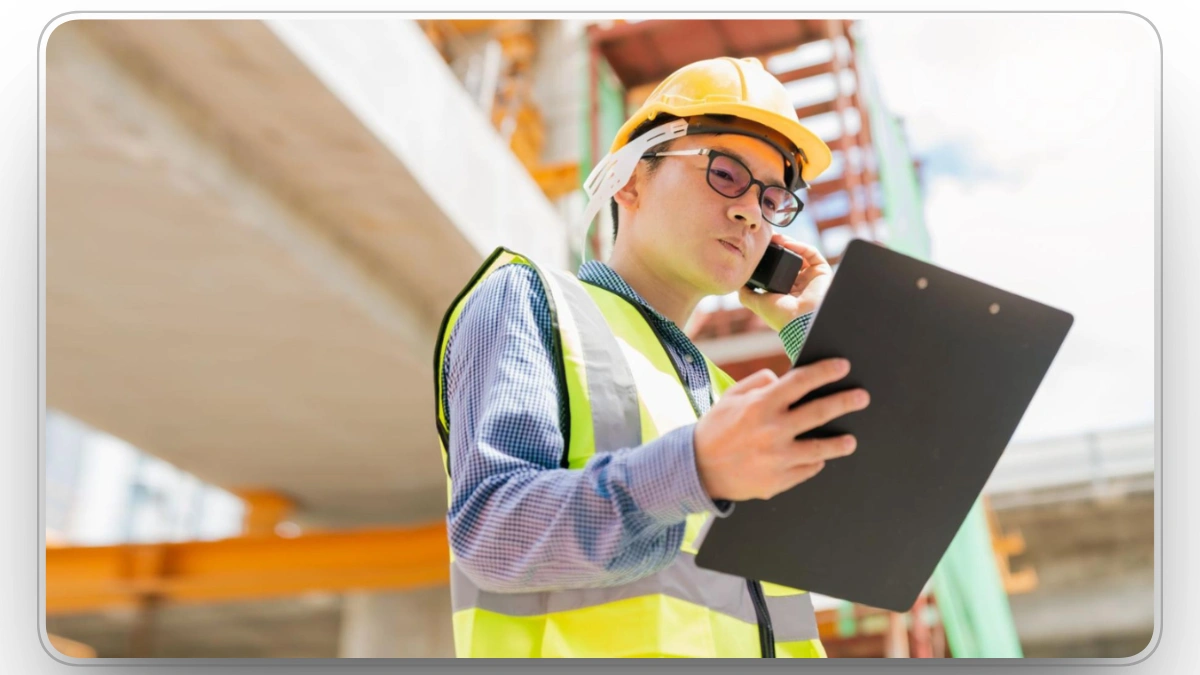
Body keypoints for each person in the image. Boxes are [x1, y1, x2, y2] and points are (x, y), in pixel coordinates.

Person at [433, 56, 871, 658]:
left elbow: (868, 540)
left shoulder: (723, 400)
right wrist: (695, 470)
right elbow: (492, 534)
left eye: (775, 198)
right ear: (631, 181)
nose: (751, 211)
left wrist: (806, 335)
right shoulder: (533, 302)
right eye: (725, 173)